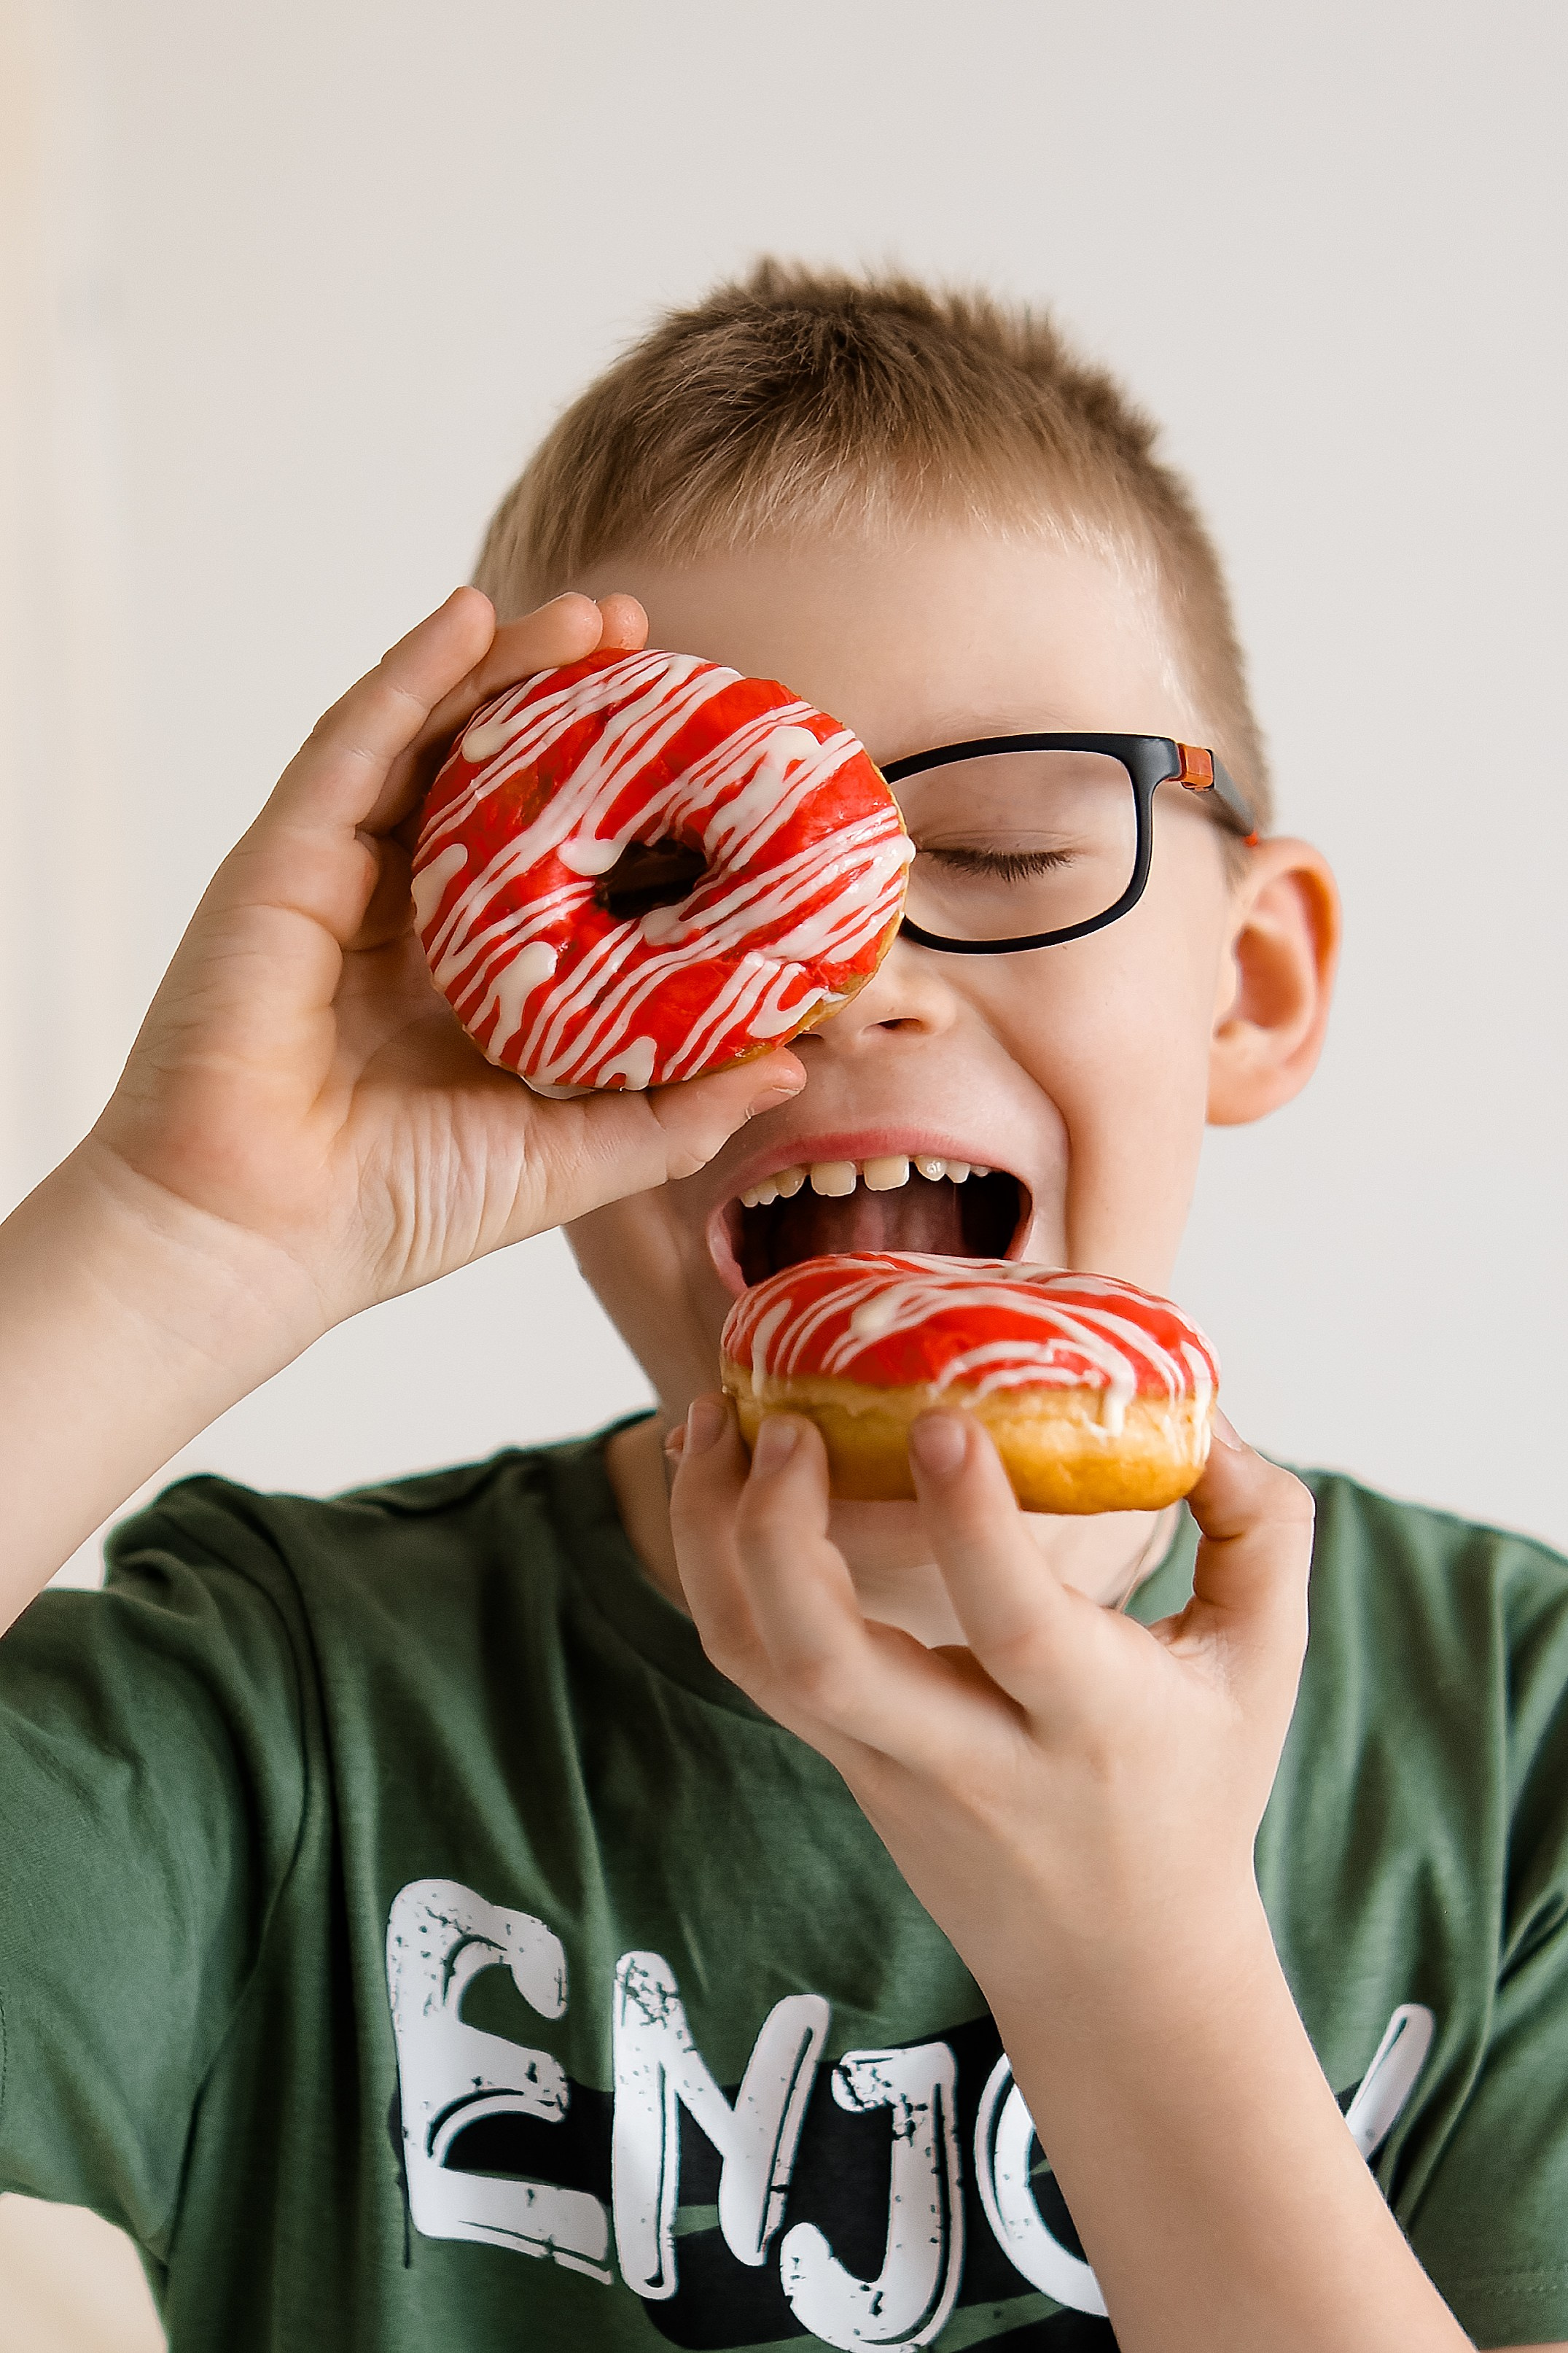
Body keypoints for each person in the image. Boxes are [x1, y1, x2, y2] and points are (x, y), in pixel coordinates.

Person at [0, 265, 1562, 2353]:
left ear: (1253, 982)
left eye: (1001, 847)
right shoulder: (256, 1720)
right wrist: (182, 1231)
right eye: (685, 878)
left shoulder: (1522, 1755)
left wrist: (1137, 1966)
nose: (838, 972)